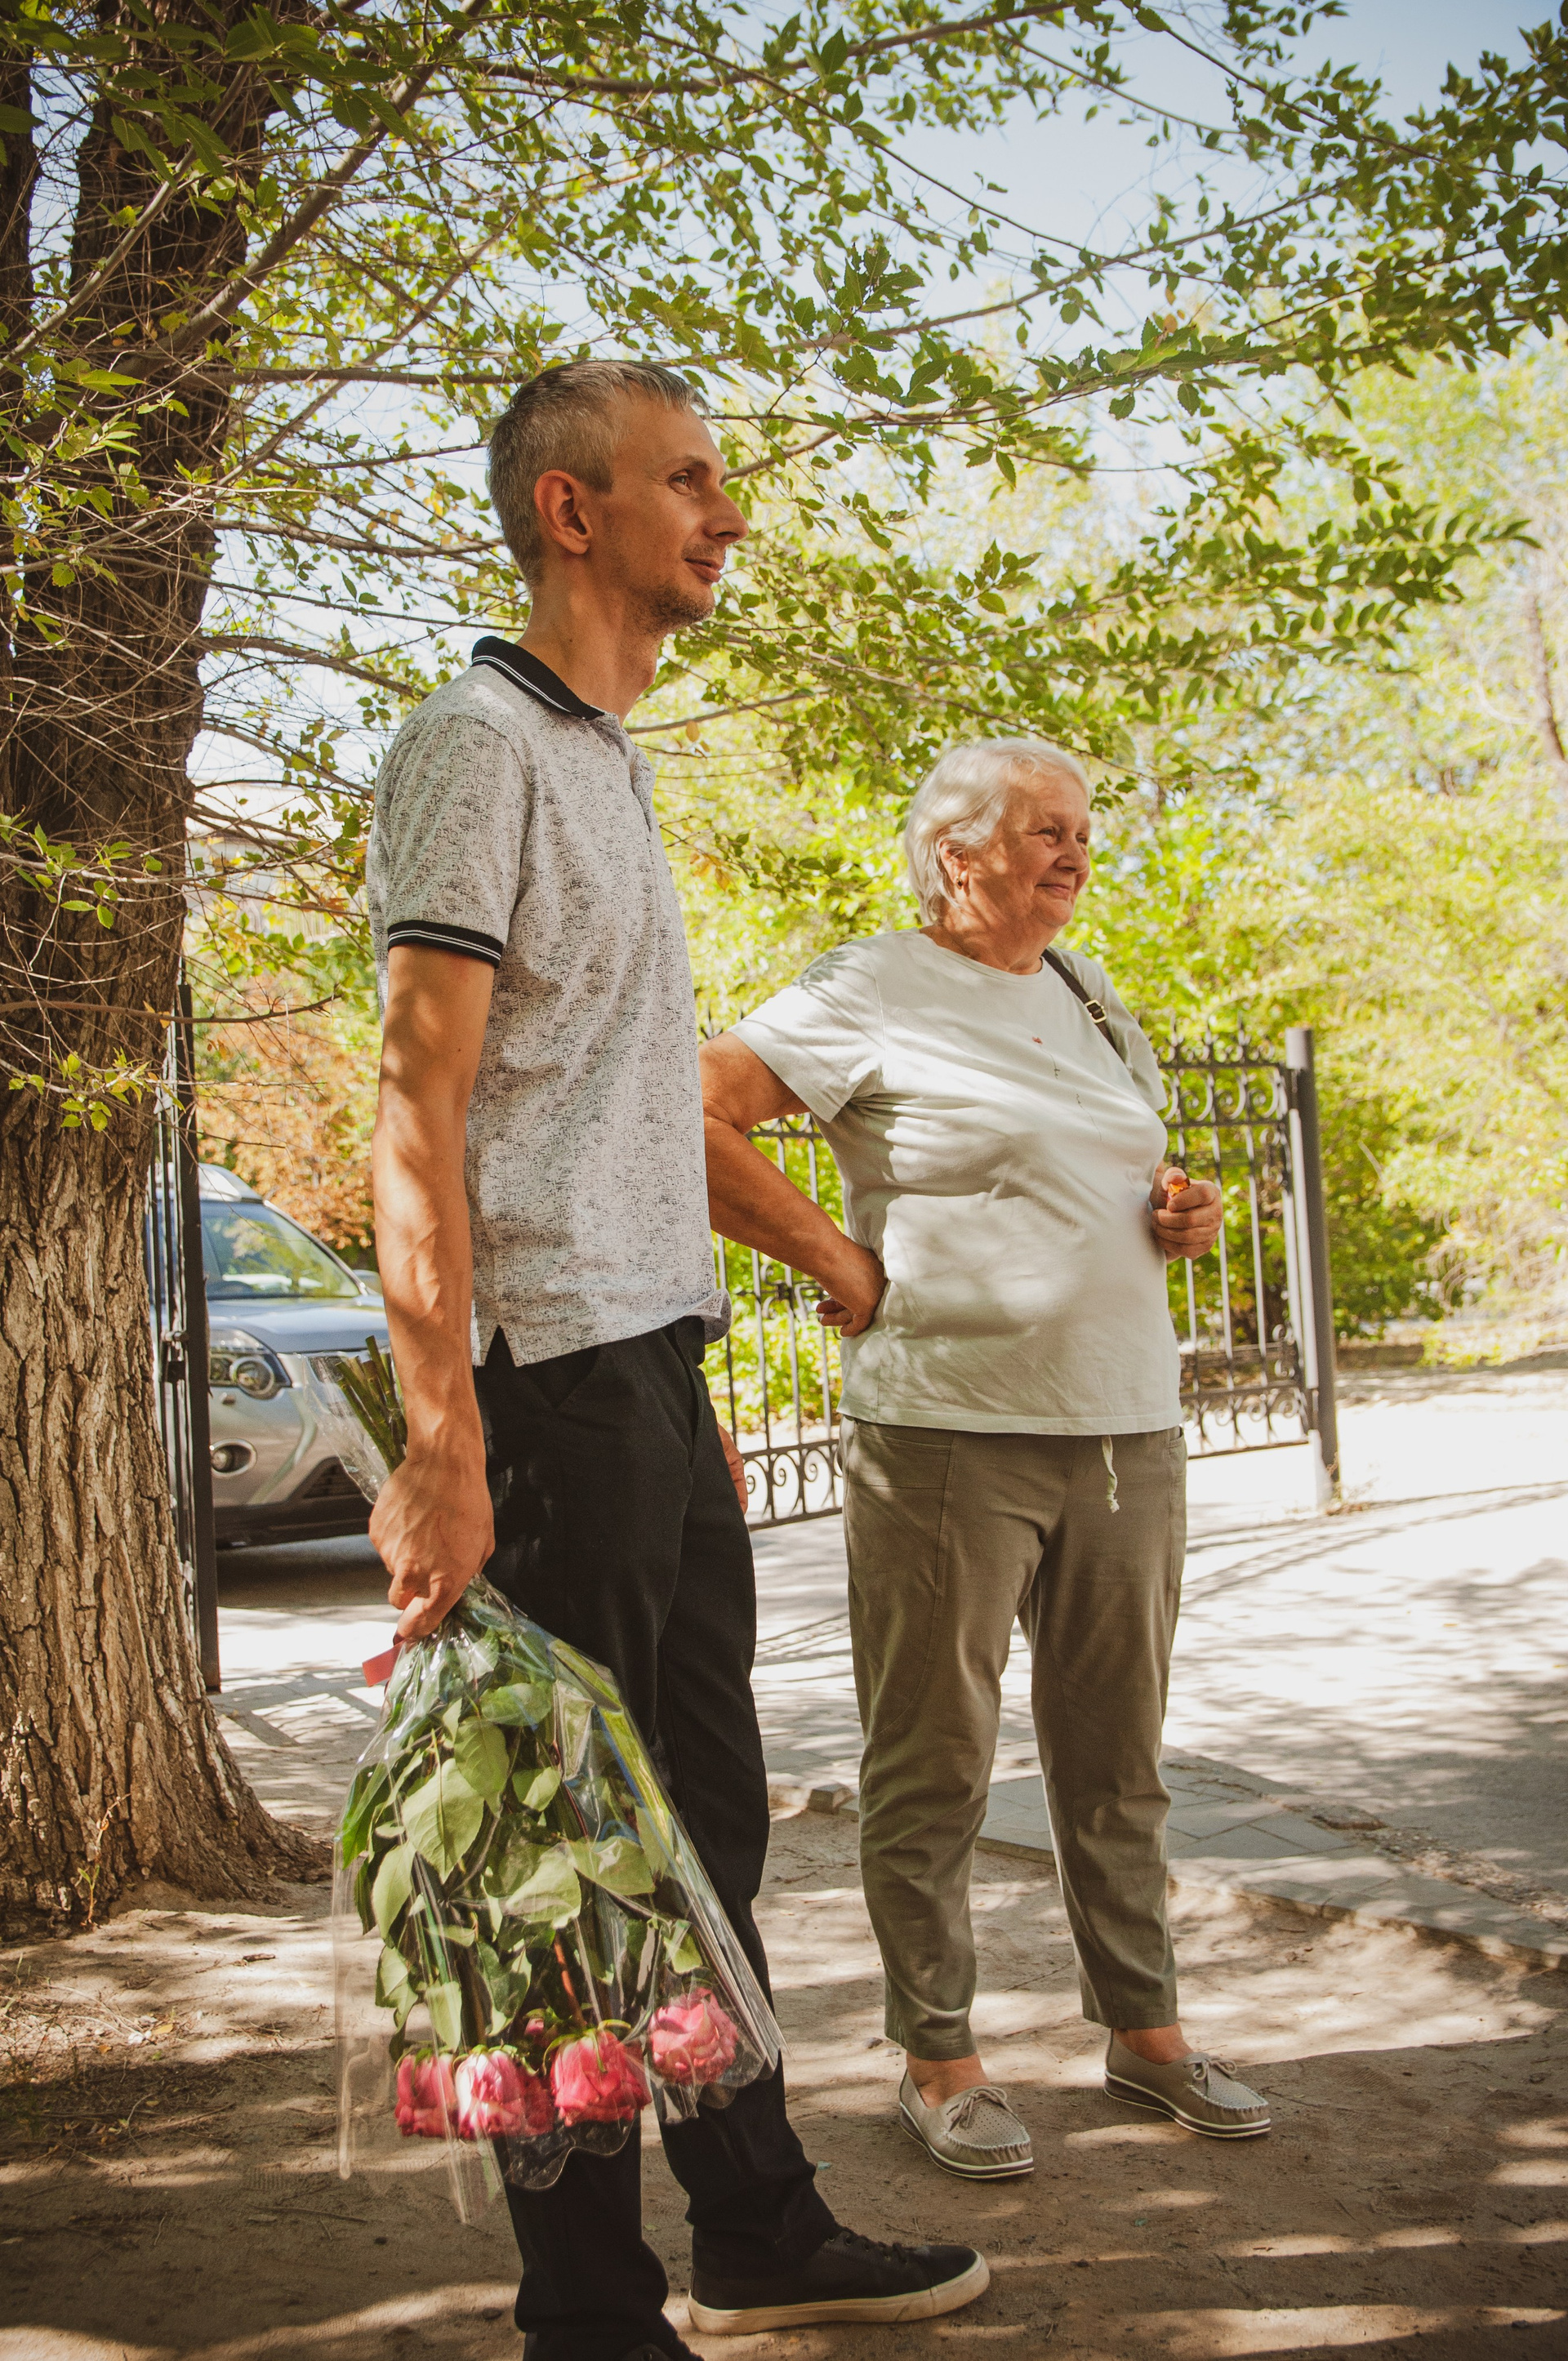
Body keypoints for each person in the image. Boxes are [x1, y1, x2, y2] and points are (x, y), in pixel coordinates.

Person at [364, 360, 988, 2361]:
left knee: (705, 1824)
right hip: (547, 1385)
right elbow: (416, 1107)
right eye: (691, 480)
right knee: (564, 1859)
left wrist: (757, 1302)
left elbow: (614, 1113)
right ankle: (587, 2310)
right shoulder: (475, 745)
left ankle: (756, 2223)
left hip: (647, 1371)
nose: (728, 515)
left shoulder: (606, 762)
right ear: (574, 511)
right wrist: (445, 1438)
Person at [699, 737, 1272, 2184]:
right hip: (948, 1431)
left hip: (1126, 1428)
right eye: (1043, 832)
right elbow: (691, 1108)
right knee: (935, 1757)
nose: (1076, 854)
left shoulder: (1086, 990)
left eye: (1081, 831)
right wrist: (835, 1257)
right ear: (955, 854)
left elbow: (1107, 1181)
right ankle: (938, 2057)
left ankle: (1144, 2033)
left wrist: (1177, 1213)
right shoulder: (870, 986)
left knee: (1118, 1758)